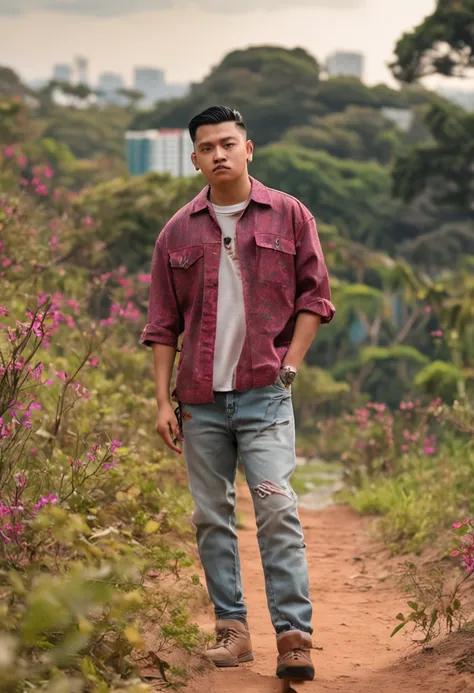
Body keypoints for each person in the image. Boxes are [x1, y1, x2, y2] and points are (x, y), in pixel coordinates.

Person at [140, 105, 335, 681]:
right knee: (211, 517)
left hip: (265, 395)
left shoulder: (290, 216)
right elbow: (161, 326)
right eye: (207, 147)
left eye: (228, 143)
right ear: (195, 158)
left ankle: (293, 637)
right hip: (200, 402)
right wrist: (160, 402)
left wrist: (289, 367)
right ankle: (232, 630)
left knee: (277, 507)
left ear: (249, 148)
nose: (218, 154)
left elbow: (314, 298)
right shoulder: (176, 232)